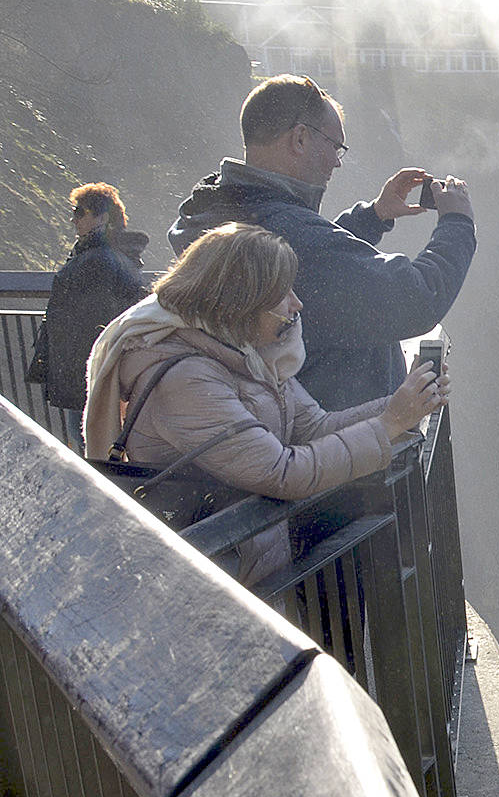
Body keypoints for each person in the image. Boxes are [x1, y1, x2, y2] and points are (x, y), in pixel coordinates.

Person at [83, 223, 447, 585]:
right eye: (282, 293)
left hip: (242, 567)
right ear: (241, 300)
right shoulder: (185, 380)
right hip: (203, 584)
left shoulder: (241, 353)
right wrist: (388, 424)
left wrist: (402, 406)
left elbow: (314, 428)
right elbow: (282, 473)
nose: (297, 304)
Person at [169, 72, 474, 410]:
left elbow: (314, 270)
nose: (337, 161)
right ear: (300, 139)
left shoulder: (219, 212)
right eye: (334, 145)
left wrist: (373, 216)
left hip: (263, 427)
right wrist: (457, 223)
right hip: (332, 444)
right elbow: (416, 299)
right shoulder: (289, 234)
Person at [33, 183, 151, 443]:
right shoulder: (110, 256)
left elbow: (94, 320)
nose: (73, 219)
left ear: (103, 218)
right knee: (97, 438)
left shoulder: (98, 260)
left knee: (88, 440)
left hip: (87, 366)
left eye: (80, 212)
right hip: (94, 365)